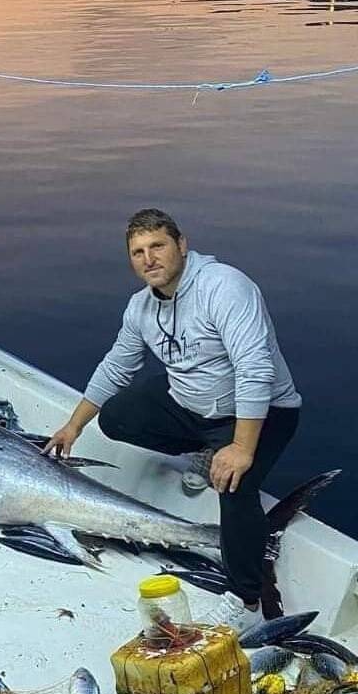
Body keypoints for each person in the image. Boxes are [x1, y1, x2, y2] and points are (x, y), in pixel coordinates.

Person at [43, 209, 301, 633]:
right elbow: (117, 366)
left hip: (260, 411)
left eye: (158, 246)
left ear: (182, 245)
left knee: (234, 484)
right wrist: (74, 425)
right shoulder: (141, 307)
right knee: (117, 418)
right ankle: (207, 448)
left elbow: (255, 369)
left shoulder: (225, 288)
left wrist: (240, 448)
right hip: (192, 406)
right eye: (138, 252)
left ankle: (247, 599)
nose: (149, 259)